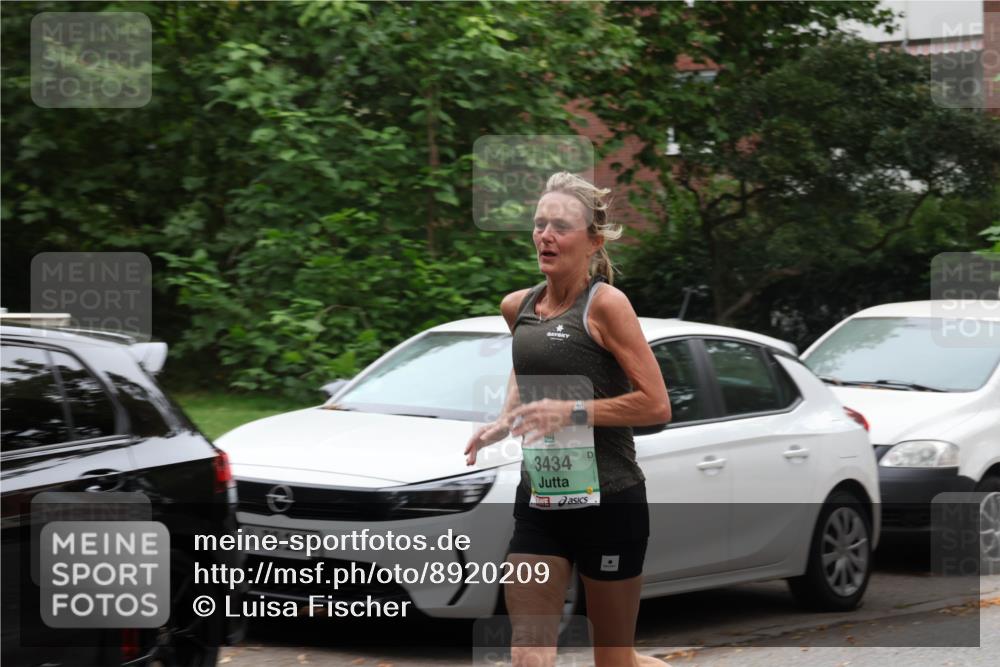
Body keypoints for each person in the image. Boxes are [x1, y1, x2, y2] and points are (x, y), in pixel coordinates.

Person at [464, 172, 672, 667]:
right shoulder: (518, 307)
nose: (545, 235)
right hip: (541, 501)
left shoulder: (606, 306)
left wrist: (572, 411)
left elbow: (656, 404)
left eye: (560, 226)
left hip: (611, 503)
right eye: (539, 224)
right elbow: (527, 365)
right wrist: (503, 420)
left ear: (594, 241)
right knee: (527, 655)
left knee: (614, 662)